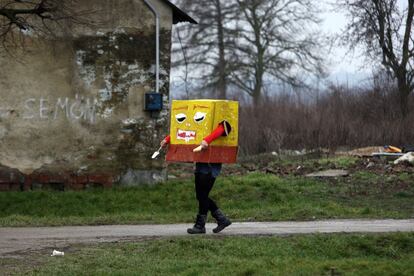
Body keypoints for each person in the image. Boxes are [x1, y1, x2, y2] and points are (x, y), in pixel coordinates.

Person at [160, 122, 232, 234]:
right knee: (201, 195)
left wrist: (207, 141)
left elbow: (222, 129)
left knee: (202, 195)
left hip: (211, 163)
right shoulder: (199, 118)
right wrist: (167, 139)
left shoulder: (217, 118)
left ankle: (201, 225)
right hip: (201, 161)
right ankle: (221, 219)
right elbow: (187, 129)